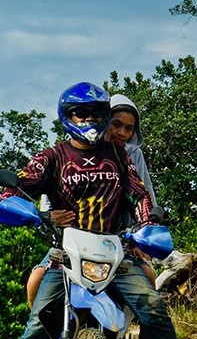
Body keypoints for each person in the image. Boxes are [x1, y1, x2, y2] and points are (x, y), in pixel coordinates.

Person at [0, 83, 197, 339]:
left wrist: (148, 221)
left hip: (117, 249)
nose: (89, 120)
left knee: (154, 308)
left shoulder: (118, 157)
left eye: (97, 114)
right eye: (81, 114)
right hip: (65, 251)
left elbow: (139, 193)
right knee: (38, 325)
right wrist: (30, 209)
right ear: (67, 117)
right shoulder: (52, 157)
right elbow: (21, 185)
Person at [24, 94, 159, 308]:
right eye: (116, 124)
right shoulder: (64, 153)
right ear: (104, 121)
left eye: (129, 128)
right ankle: (48, 337)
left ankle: (146, 337)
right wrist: (48, 218)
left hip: (118, 238)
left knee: (148, 277)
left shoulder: (131, 154)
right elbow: (46, 200)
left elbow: (144, 196)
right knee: (35, 281)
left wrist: (144, 233)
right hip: (71, 241)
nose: (121, 133)